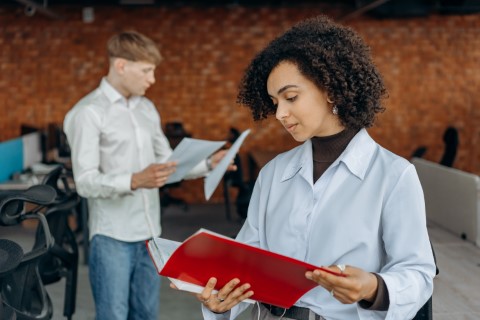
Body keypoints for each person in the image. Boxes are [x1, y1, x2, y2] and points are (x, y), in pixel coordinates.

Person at [195, 15, 436, 320]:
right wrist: (220, 300)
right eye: (274, 102)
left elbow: (418, 274)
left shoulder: (393, 175)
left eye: (291, 97)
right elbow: (247, 262)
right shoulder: (272, 174)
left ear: (331, 90)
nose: (280, 113)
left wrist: (373, 288)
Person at [63, 31, 232, 320]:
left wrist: (208, 164)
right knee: (113, 316)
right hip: (112, 237)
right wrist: (134, 180)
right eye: (146, 71)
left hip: (151, 236)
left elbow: (168, 164)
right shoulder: (88, 114)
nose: (152, 79)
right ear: (121, 66)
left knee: (145, 315)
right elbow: (85, 182)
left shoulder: (147, 109)